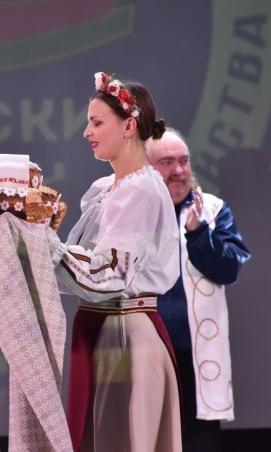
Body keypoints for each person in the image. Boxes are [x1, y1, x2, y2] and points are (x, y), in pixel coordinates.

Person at [55, 72, 182, 452]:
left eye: (96, 123)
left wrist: (45, 248)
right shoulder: (107, 190)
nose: (86, 132)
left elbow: (108, 275)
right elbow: (81, 271)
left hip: (124, 333)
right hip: (102, 328)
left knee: (123, 439)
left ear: (128, 126)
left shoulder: (140, 190)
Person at [146, 128, 250, 452]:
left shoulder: (213, 210)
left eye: (184, 161)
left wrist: (198, 233)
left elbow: (229, 269)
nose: (179, 170)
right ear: (147, 168)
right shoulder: (133, 213)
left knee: (199, 443)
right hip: (146, 353)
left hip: (195, 355)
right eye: (167, 162)